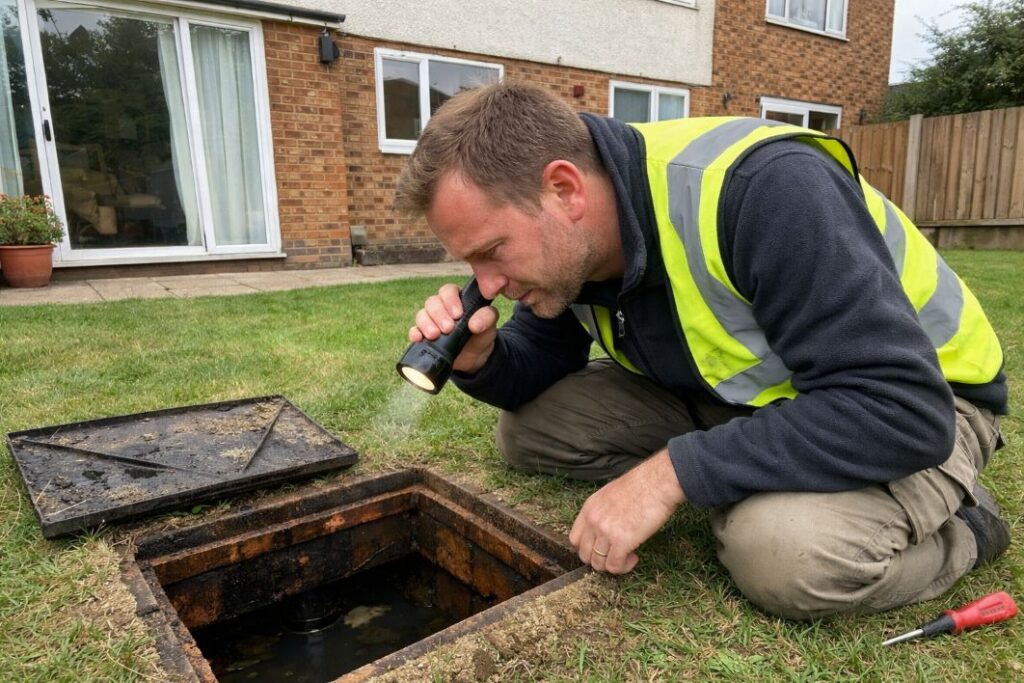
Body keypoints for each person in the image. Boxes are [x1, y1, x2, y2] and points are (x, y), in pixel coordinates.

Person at [395, 82, 1010, 620]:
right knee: (530, 433)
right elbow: (541, 360)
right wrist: (482, 360)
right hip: (740, 397)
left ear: (564, 189)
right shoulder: (576, 240)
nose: (488, 283)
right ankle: (755, 471)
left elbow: (899, 408)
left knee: (783, 556)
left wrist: (672, 476)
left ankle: (970, 530)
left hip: (924, 400)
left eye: (491, 250)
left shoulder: (764, 189)